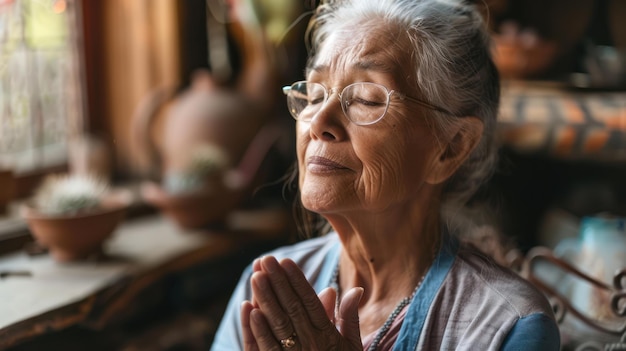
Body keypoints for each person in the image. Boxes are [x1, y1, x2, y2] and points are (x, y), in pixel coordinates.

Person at [211, 0, 560, 350]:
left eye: (366, 99)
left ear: (450, 147)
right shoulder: (265, 291)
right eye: (315, 94)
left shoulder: (506, 327)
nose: (318, 122)